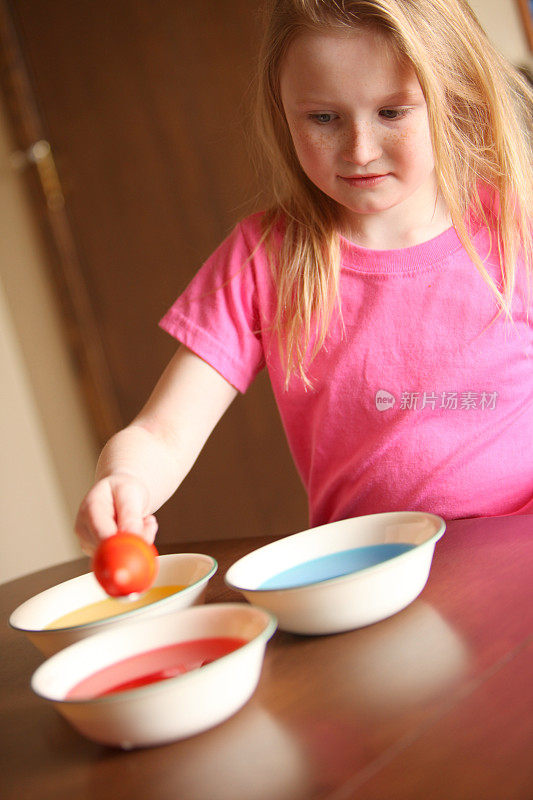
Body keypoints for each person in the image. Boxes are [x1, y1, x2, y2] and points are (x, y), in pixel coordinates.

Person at [75, 0, 533, 555]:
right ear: (283, 111)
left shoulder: (517, 230)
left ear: (452, 98)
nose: (360, 150)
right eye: (323, 118)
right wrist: (125, 483)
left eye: (392, 112)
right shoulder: (263, 258)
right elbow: (162, 433)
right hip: (367, 578)